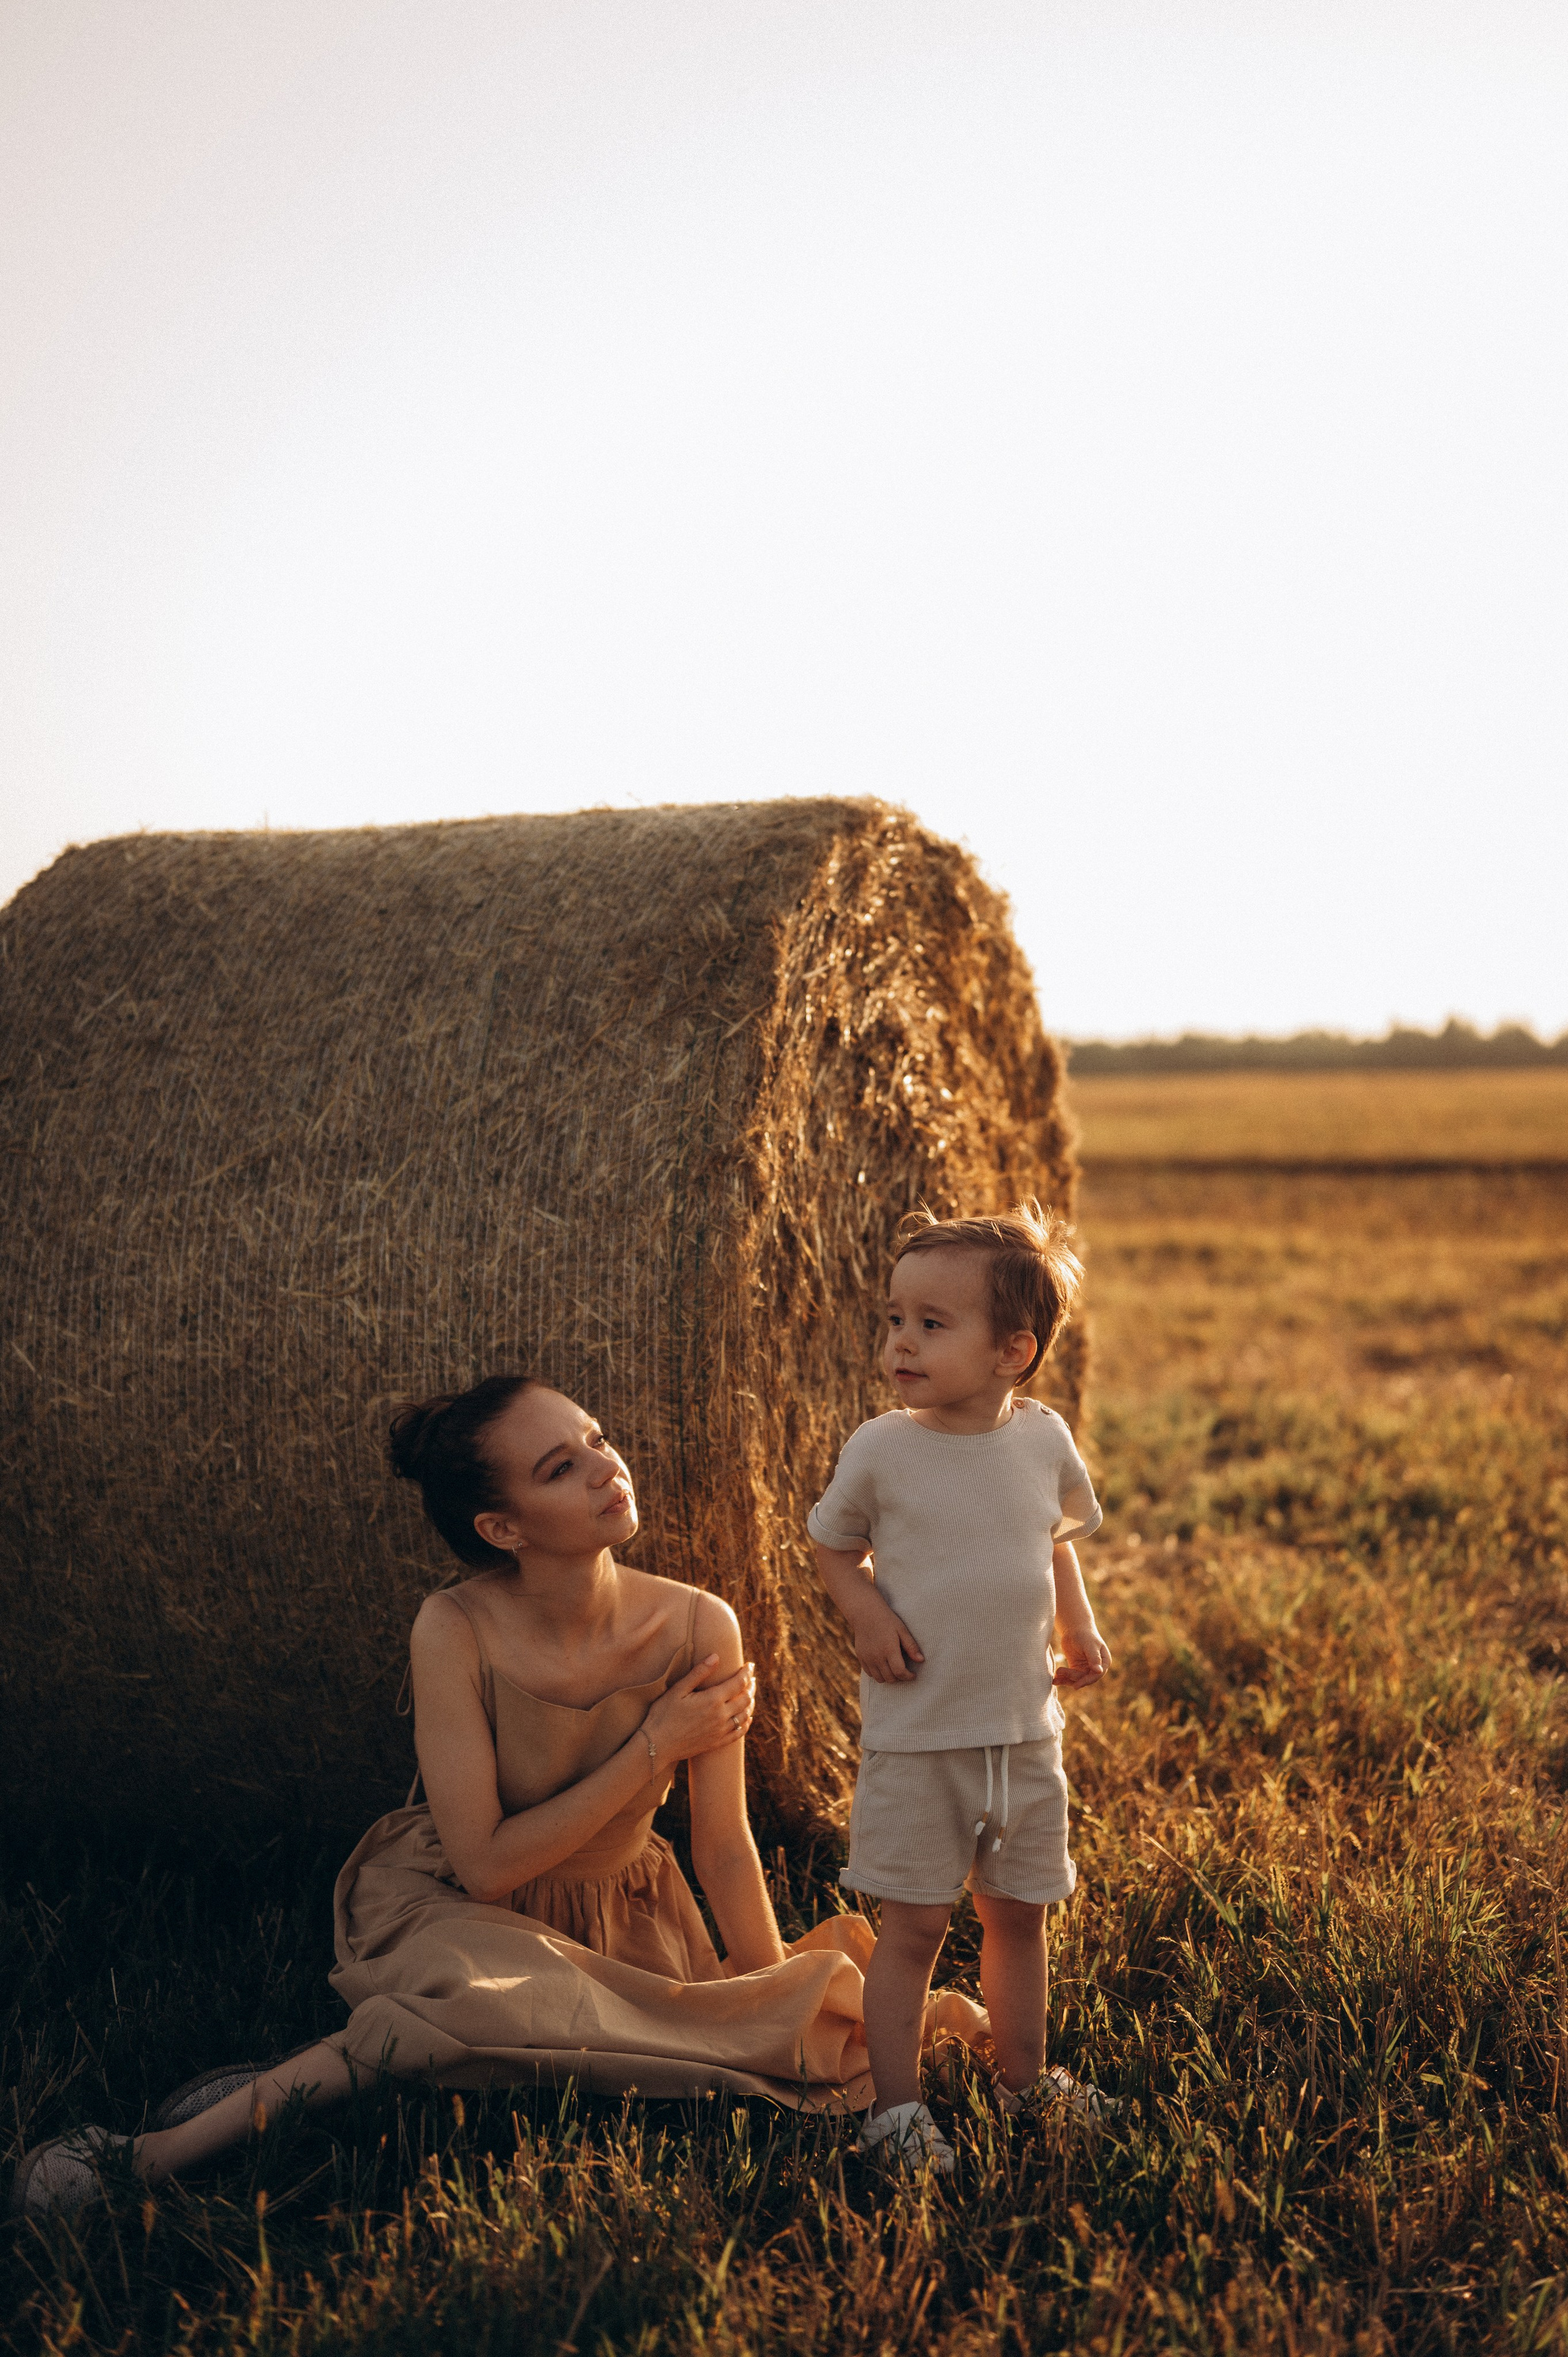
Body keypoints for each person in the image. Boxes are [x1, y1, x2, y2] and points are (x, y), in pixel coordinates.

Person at [14, 1373, 988, 2221]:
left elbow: (724, 1848)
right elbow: (483, 1864)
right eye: (560, 1467)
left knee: (755, 2036)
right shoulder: (455, 1627)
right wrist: (651, 1743)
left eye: (598, 1441)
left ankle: (338, 2070)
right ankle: (149, 2158)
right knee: (457, 2007)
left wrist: (770, 2003)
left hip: (627, 1915)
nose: (608, 1469)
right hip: (464, 1906)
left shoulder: (700, 1625)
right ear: (502, 1528)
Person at [809, 1204, 1115, 2174]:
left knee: (1020, 1916)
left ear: (1011, 1352)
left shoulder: (1043, 1441)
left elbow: (1051, 1542)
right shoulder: (882, 1449)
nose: (901, 1342)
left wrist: (1080, 1624)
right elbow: (829, 1544)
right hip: (919, 1739)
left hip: (1026, 1735)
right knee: (915, 1929)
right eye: (895, 1319)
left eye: (931, 1325)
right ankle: (896, 2116)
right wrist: (863, 1615)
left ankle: (1027, 2086)